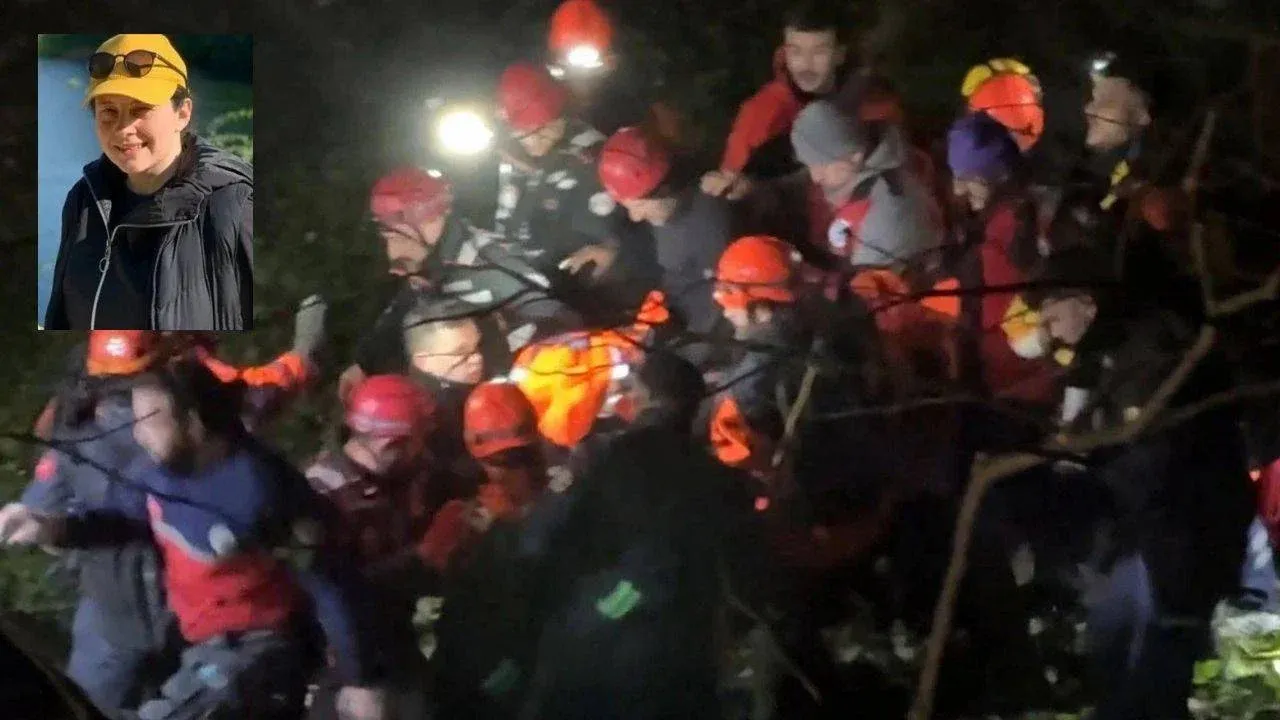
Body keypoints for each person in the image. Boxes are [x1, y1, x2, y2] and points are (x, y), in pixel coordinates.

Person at [9, 360, 389, 720]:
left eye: (149, 420)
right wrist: (50, 527)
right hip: (199, 638)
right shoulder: (154, 473)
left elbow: (329, 579)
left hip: (258, 645)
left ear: (192, 421)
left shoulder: (260, 490)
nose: (138, 434)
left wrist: (361, 680)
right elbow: (120, 521)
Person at [1031, 248, 1255, 719]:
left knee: (1157, 656)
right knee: (1120, 650)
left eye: (1053, 317)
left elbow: (1157, 459)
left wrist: (1084, 464)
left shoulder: (1147, 354)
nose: (1049, 333)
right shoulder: (1108, 352)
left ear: (1086, 305)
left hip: (1179, 529)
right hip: (1144, 531)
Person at [518, 352, 749, 720]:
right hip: (689, 658)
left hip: (602, 646)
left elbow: (538, 538)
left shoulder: (598, 457)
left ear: (641, 397)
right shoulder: (722, 480)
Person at [1, 331, 175, 717]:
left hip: (192, 615)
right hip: (110, 619)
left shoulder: (193, 424)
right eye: (111, 384)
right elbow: (43, 506)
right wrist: (38, 523)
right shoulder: (74, 432)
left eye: (132, 384)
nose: (121, 399)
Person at [44, 34, 253, 331]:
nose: (123, 129)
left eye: (140, 109)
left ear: (182, 113)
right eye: (109, 112)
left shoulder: (235, 205)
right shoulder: (85, 199)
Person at [304, 374, 464, 720]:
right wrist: (422, 557)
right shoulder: (324, 497)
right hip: (348, 659)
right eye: (418, 440)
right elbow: (331, 593)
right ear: (390, 444)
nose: (424, 449)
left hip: (399, 638)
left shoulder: (407, 473)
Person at [342, 167, 580, 398]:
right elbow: (407, 305)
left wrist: (500, 366)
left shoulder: (487, 262)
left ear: (432, 219)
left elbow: (560, 321)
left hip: (515, 388)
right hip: (464, 384)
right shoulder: (431, 259)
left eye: (395, 231)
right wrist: (364, 364)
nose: (390, 244)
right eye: (385, 232)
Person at [492, 62, 656, 320]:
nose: (529, 140)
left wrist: (613, 253)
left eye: (538, 129)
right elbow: (507, 218)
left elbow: (612, 236)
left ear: (557, 118)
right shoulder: (514, 153)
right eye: (521, 132)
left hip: (576, 286)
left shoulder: (590, 155)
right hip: (521, 278)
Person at [703, 0, 901, 186]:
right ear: (785, 52)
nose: (806, 65)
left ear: (840, 54)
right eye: (796, 52)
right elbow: (732, 184)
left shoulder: (873, 99)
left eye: (819, 52)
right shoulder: (761, 114)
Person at [945, 111, 1059, 407]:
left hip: (1021, 386)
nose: (958, 189)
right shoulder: (997, 218)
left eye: (969, 178)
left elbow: (1017, 305)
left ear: (998, 174)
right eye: (956, 176)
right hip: (1005, 378)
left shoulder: (1013, 226)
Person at [597, 126, 734, 366]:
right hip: (675, 314)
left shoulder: (708, 226)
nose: (635, 217)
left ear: (663, 190)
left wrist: (676, 360)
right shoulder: (663, 214)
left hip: (709, 336)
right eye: (627, 207)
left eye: (638, 206)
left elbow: (720, 310)